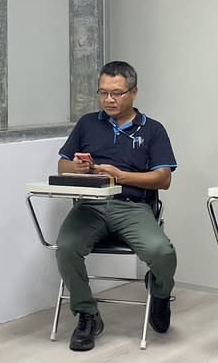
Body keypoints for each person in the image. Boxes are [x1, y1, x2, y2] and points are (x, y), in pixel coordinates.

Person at [54, 60, 178, 351]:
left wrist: (121, 176)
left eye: (116, 93)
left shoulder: (153, 130)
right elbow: (62, 165)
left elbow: (164, 179)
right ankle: (87, 315)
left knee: (161, 252)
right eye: (103, 92)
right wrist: (79, 168)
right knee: (66, 247)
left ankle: (160, 293)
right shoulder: (87, 123)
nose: (108, 99)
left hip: (132, 206)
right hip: (91, 206)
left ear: (133, 93)